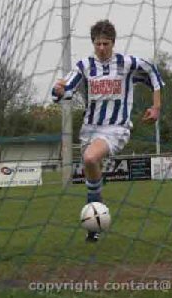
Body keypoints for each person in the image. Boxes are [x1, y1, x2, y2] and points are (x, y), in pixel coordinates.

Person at [52, 20, 164, 242]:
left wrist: (156, 106)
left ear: (113, 43)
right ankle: (94, 221)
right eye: (97, 44)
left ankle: (96, 204)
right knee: (89, 162)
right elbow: (66, 91)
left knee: (90, 158)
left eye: (106, 43)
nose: (101, 48)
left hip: (116, 128)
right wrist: (58, 90)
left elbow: (152, 72)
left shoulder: (126, 63)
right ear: (93, 43)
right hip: (89, 130)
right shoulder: (84, 66)